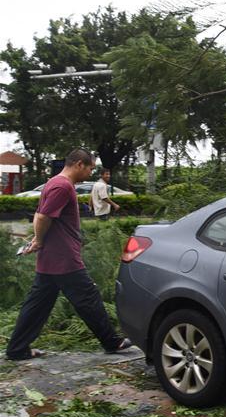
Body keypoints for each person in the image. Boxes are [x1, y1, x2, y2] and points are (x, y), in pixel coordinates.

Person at [5, 149, 131, 361]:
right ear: (79, 164)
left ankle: (17, 350)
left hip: (53, 258)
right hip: (63, 257)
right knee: (88, 298)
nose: (91, 172)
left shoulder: (54, 182)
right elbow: (43, 217)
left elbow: (40, 215)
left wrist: (38, 241)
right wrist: (40, 240)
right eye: (90, 167)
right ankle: (111, 341)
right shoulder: (62, 186)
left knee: (37, 305)